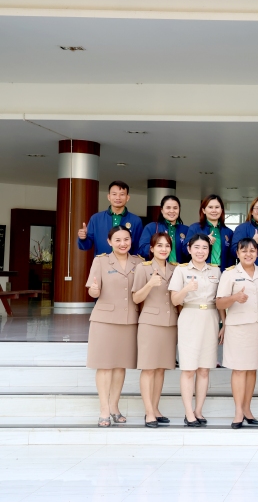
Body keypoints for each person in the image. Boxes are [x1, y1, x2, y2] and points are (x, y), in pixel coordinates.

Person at [85, 226, 142, 427]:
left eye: (126, 239)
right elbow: (93, 291)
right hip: (104, 320)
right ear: (109, 242)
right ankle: (104, 409)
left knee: (120, 365)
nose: (122, 243)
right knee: (104, 365)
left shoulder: (139, 262)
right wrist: (94, 290)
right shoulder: (100, 261)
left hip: (129, 320)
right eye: (117, 240)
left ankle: (114, 407)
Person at [168, 233, 222, 427]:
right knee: (189, 369)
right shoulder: (181, 270)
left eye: (205, 248)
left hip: (211, 317)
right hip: (190, 317)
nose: (201, 251)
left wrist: (223, 324)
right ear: (189, 249)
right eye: (197, 247)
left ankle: (199, 410)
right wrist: (187, 289)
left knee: (204, 369)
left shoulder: (216, 271)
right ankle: (188, 412)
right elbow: (175, 300)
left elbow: (220, 300)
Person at [216, 238, 258, 429]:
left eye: (252, 250)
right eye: (244, 251)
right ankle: (238, 411)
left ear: (257, 253)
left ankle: (247, 409)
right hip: (237, 327)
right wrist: (235, 297)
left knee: (252, 368)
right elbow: (219, 302)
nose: (248, 254)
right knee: (239, 369)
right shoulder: (230, 274)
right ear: (237, 253)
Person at [132, 232, 178, 428]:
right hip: (150, 323)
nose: (163, 249)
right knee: (149, 368)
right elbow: (136, 298)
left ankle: (156, 408)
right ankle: (149, 411)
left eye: (167, 245)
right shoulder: (143, 268)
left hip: (170, 323)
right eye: (159, 245)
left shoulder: (176, 269)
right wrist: (150, 284)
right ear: (151, 248)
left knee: (161, 369)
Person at [78, 181, 143, 256]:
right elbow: (86, 246)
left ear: (127, 198)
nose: (118, 198)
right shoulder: (96, 219)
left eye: (122, 194)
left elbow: (138, 247)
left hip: (127, 262)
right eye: (114, 194)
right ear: (109, 197)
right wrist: (83, 238)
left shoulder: (136, 220)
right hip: (102, 262)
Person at [186, 194, 234, 270]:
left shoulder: (229, 232)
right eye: (210, 207)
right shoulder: (194, 228)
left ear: (221, 210)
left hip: (223, 272)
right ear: (203, 210)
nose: (214, 210)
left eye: (217, 207)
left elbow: (231, 257)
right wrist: (204, 240)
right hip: (201, 271)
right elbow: (185, 250)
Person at [138, 195, 189, 263]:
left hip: (180, 268)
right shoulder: (151, 227)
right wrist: (159, 244)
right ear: (162, 210)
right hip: (157, 267)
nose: (172, 211)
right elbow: (142, 250)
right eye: (168, 208)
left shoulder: (186, 230)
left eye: (175, 208)